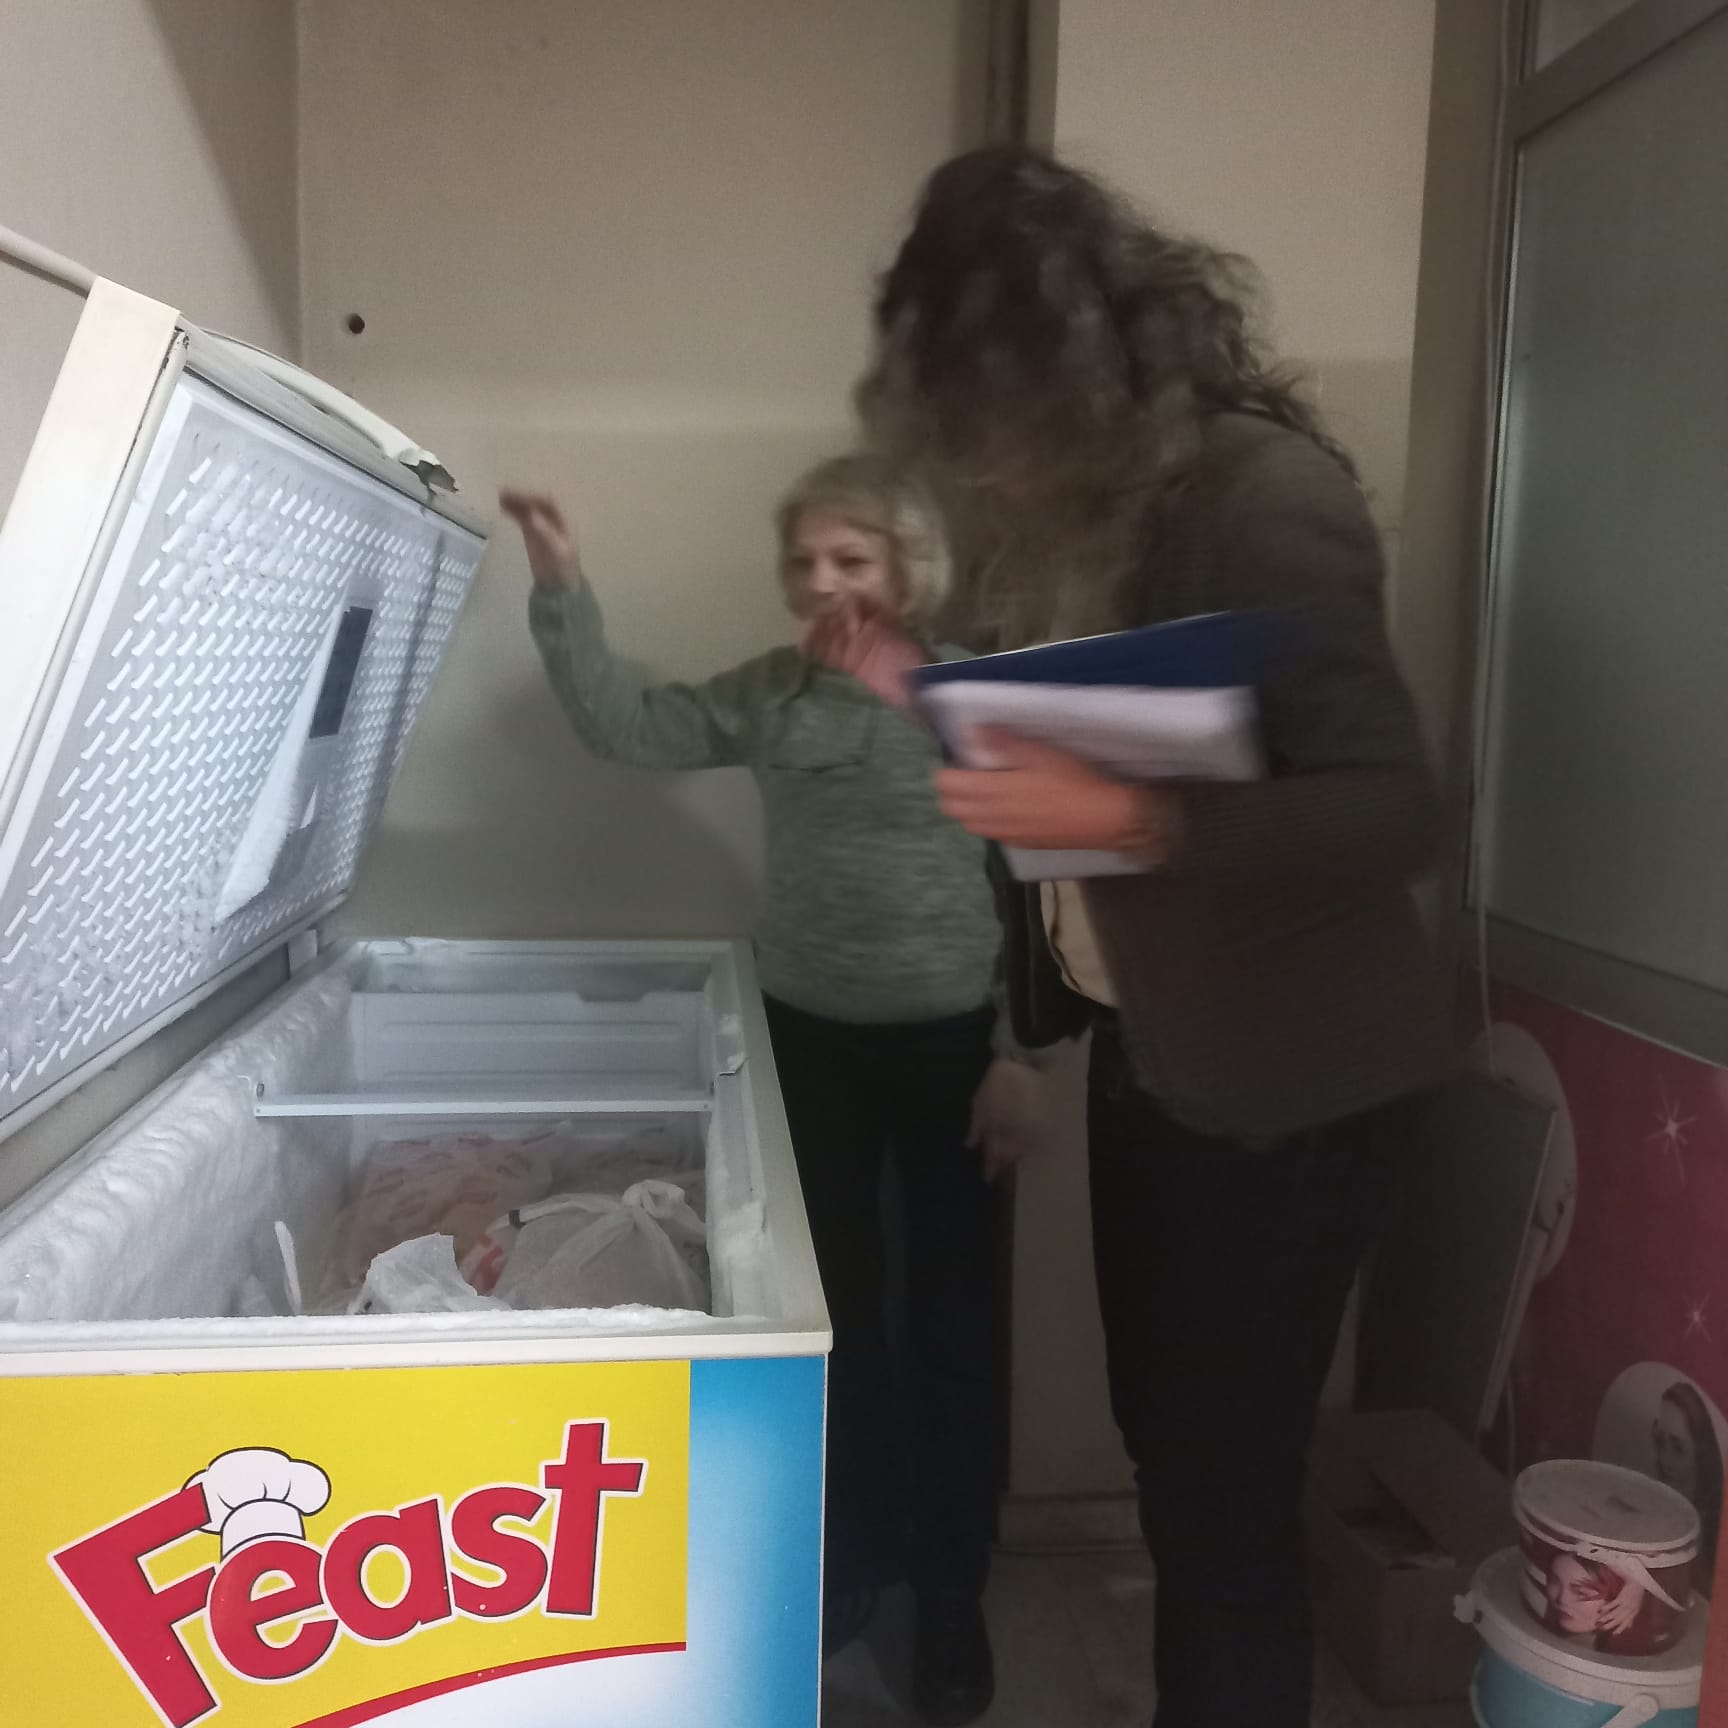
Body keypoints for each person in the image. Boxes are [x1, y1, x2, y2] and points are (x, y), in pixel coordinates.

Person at [858, 146, 1448, 1728]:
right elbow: (1122, 757)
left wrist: (1135, 820)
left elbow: (1393, 810)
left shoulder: (1263, 498)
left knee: (1220, 1503)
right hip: (1161, 1052)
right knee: (1171, 1460)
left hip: (1295, 1089)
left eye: (988, 407)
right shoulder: (1093, 517)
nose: (977, 456)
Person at [500, 455, 1038, 1726]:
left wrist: (1025, 1054)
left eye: (852, 559)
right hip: (808, 1042)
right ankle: (844, 1564)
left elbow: (1047, 878)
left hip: (959, 1052)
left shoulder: (976, 695)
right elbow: (629, 728)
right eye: (804, 562)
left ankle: (951, 1596)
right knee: (828, 1320)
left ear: (908, 567)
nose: (822, 582)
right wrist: (563, 584)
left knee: (958, 1328)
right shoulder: (775, 689)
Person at [1653, 1378, 1724, 1589]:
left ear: (1700, 1453)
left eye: (1678, 1448)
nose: (1665, 1460)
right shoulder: (1653, 1507)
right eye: (1660, 1442)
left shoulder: (1714, 1535)